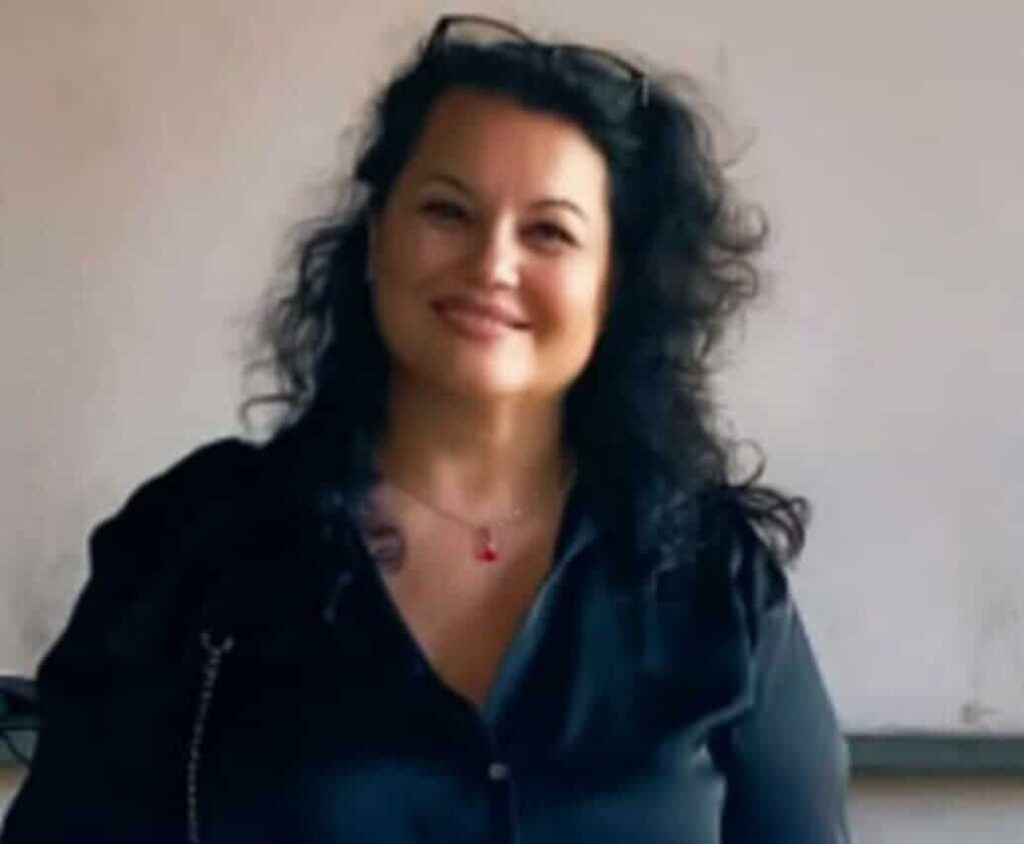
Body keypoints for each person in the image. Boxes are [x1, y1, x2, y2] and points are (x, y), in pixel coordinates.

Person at [1, 13, 851, 843]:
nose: (492, 265)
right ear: (377, 236)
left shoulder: (716, 585)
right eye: (448, 212)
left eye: (549, 232)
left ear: (616, 284)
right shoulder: (195, 545)